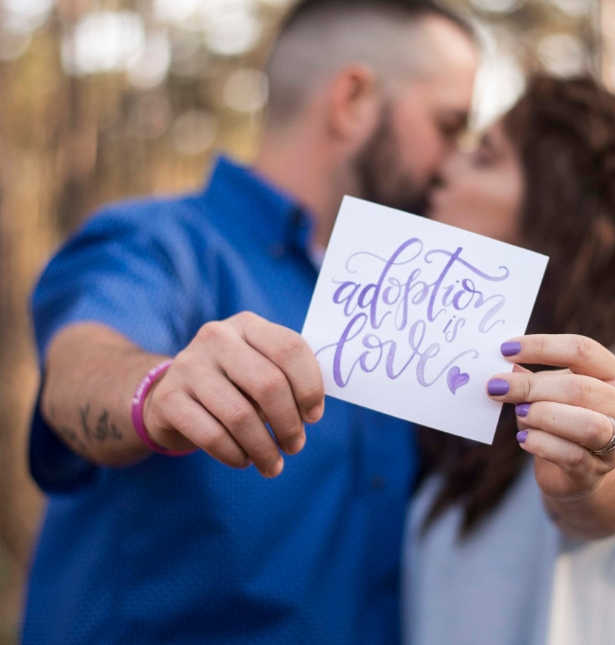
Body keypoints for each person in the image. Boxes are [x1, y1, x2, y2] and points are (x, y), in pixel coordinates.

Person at [23, 1, 478, 643]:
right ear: (352, 100)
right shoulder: (154, 243)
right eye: (448, 124)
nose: (454, 161)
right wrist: (158, 393)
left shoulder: (420, 299)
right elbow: (78, 371)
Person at [403, 75, 615, 645]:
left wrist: (597, 466)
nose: (444, 170)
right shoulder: (474, 399)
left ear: (562, 200)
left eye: (484, 156)